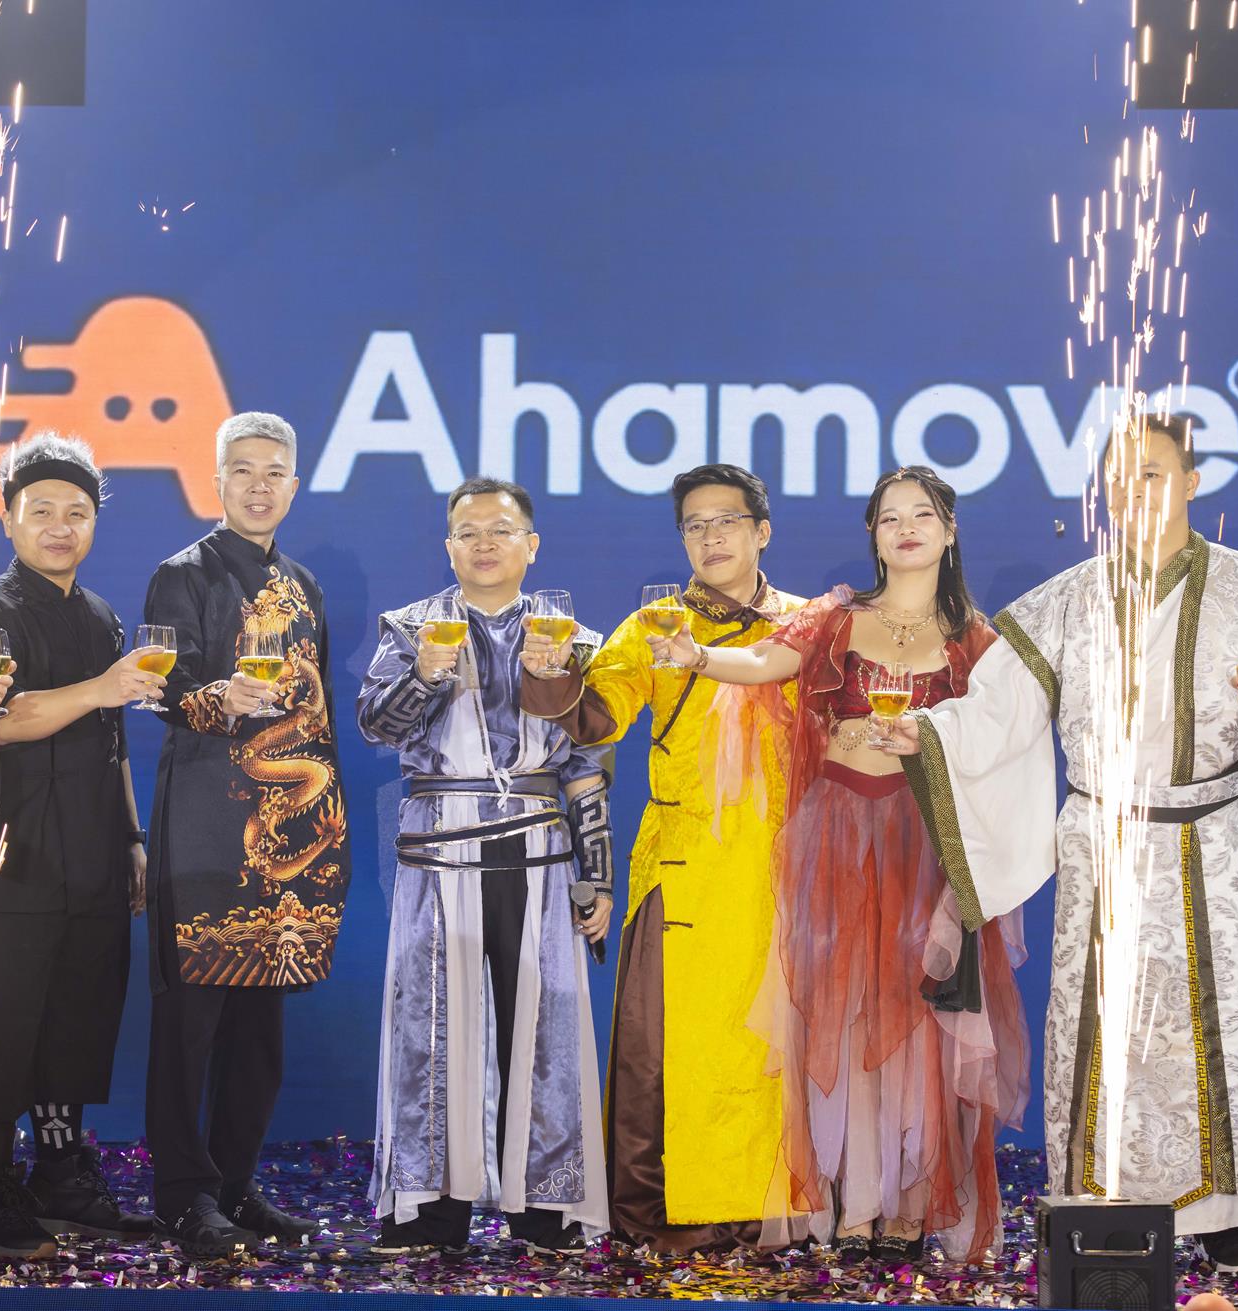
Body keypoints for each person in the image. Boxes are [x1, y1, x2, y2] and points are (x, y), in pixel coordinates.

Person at [880, 415, 1238, 1274]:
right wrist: (928, 731)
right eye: (1119, 478)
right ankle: (1103, 1199)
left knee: (1222, 1026)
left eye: (1154, 474)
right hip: (1105, 838)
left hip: (1214, 834)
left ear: (1193, 481)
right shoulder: (1067, 599)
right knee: (1108, 1023)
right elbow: (999, 712)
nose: (1135, 492)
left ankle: (1228, 1213)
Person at [647, 466, 1029, 1263]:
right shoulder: (838, 615)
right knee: (844, 1016)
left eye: (922, 515)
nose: (907, 528)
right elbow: (765, 662)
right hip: (837, 835)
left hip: (924, 845)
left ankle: (913, 1205)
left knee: (917, 1021)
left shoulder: (979, 641)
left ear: (949, 531)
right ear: (873, 535)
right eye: (890, 517)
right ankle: (856, 1204)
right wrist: (697, 656)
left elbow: (1007, 737)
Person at [520, 464, 806, 1253]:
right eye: (694, 525)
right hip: (682, 868)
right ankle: (664, 1214)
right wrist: (549, 673)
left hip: (780, 869)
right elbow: (595, 717)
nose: (711, 537)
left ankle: (769, 1208)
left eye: (727, 520)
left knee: (772, 1047)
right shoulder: (653, 624)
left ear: (762, 531)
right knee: (660, 1047)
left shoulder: (806, 625)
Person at [358, 477, 612, 1255]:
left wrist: (597, 874)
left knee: (544, 1024)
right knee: (431, 1026)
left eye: (501, 530)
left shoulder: (573, 636)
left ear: (531, 544)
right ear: (449, 547)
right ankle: (428, 1212)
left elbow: (587, 764)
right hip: (440, 846)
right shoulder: (411, 628)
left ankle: (545, 1210)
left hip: (540, 848)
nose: (484, 543)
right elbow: (375, 725)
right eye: (468, 532)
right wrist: (426, 674)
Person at [142, 412, 354, 1258]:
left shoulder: (304, 585)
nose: (259, 486)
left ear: (293, 486)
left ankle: (233, 1185)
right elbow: (161, 686)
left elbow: (316, 709)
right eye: (243, 470)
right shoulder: (181, 574)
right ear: (217, 480)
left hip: (290, 838)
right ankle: (182, 1196)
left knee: (259, 1035)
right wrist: (214, 697)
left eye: (274, 472)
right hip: (205, 829)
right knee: (188, 1028)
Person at [0, 433, 159, 1258]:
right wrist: (102, 686)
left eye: (78, 512)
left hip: (97, 846)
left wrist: (132, 835)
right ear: (8, 518)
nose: (61, 527)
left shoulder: (102, 615)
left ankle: (62, 1172)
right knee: (4, 1015)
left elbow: (115, 740)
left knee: (79, 1010)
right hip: (17, 847)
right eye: (42, 511)